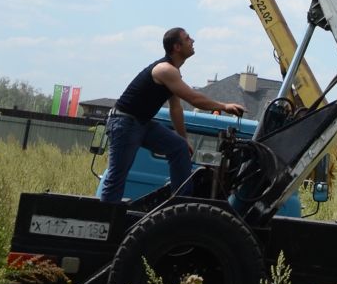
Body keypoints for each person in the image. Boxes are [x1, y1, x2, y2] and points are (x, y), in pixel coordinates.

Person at [96, 26, 245, 203]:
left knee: (179, 148)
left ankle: (180, 204)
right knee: (117, 177)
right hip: (124, 122)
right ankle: (105, 224)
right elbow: (194, 99)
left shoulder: (173, 72)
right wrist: (225, 106)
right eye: (188, 38)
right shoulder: (165, 70)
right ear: (177, 47)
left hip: (142, 124)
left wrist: (183, 138)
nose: (193, 41)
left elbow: (176, 108)